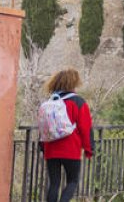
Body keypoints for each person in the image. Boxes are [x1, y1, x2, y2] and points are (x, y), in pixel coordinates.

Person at [40, 69, 94, 202]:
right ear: (73, 83)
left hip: (51, 149)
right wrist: (89, 149)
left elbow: (43, 127)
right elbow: (85, 127)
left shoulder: (51, 102)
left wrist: (43, 146)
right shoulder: (78, 102)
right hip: (71, 149)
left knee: (54, 184)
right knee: (72, 181)